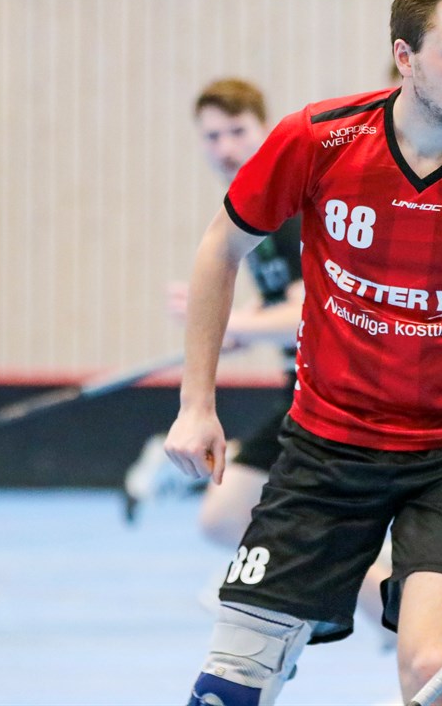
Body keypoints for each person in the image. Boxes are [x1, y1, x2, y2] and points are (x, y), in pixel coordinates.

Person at [164, 0, 442, 706]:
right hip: (329, 442)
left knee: (430, 665)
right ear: (405, 56)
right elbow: (220, 248)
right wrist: (196, 404)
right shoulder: (320, 139)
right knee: (228, 682)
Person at [124, 78, 393, 634]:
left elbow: (311, 310)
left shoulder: (287, 206)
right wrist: (241, 327)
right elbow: (280, 298)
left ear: (264, 131)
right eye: (212, 136)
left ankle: (399, 632)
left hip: (339, 395)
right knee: (232, 519)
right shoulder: (253, 208)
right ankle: (392, 627)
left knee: (244, 521)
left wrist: (226, 321)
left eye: (237, 131)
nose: (225, 147)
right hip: (302, 390)